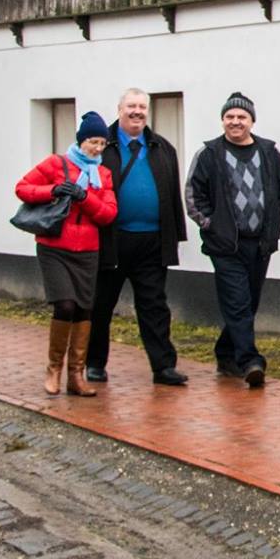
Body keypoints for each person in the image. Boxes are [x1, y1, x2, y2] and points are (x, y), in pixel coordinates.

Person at [183, 92, 280, 389]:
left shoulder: (269, 153)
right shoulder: (209, 154)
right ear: (222, 120)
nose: (235, 121)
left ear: (251, 121)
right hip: (225, 245)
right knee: (238, 302)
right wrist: (211, 225)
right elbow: (193, 195)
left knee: (249, 302)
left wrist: (277, 220)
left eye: (241, 117)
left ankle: (225, 353)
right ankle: (250, 361)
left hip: (260, 243)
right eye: (229, 116)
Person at [84, 88, 190, 387]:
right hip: (111, 240)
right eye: (131, 106)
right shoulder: (101, 146)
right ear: (119, 109)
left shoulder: (162, 147)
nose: (137, 112)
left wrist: (175, 236)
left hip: (152, 241)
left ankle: (163, 366)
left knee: (154, 306)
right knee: (100, 305)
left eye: (142, 107)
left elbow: (172, 194)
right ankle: (94, 363)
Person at [14, 111, 119, 398]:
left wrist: (85, 197)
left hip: (87, 251)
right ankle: (54, 369)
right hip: (54, 247)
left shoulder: (103, 175)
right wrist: (53, 190)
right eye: (93, 142)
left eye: (102, 143)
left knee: (85, 309)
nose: (97, 148)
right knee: (65, 305)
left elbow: (108, 214)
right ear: (81, 141)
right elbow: (22, 188)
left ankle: (76, 375)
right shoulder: (56, 163)